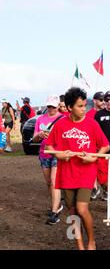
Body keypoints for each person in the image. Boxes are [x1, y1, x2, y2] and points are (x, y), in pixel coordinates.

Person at [46, 87, 110, 250]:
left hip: (86, 172)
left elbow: (105, 145)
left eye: (84, 106)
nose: (83, 109)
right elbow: (49, 146)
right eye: (80, 106)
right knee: (73, 211)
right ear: (69, 107)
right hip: (66, 173)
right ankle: (80, 245)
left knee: (82, 208)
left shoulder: (92, 123)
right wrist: (59, 155)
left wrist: (94, 157)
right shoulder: (60, 125)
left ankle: (92, 241)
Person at [33, 95, 65, 225]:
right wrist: (39, 135)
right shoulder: (40, 119)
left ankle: (54, 212)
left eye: (53, 106)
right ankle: (56, 205)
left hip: (57, 153)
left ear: (58, 106)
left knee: (54, 181)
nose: (51, 108)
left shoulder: (63, 119)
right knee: (48, 183)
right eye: (49, 106)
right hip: (44, 153)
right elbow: (34, 138)